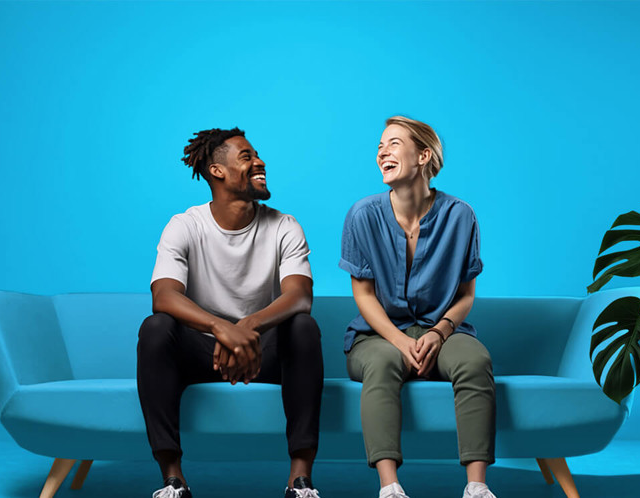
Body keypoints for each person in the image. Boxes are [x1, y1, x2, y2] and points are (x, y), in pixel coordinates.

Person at [138, 127, 324, 498]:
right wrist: (220, 328)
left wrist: (247, 326)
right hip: (201, 352)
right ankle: (173, 479)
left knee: (303, 327)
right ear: (217, 171)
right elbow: (164, 295)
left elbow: (300, 295)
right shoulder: (185, 225)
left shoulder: (284, 226)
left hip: (261, 352)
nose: (260, 162)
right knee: (155, 328)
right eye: (246, 156)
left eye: (257, 155)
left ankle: (300, 481)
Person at [339, 116, 496, 498]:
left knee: (475, 361)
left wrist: (439, 333)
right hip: (375, 335)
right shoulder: (362, 215)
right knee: (381, 363)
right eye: (380, 146)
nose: (382, 152)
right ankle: (390, 487)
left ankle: (477, 487)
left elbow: (465, 295)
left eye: (393, 143)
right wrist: (400, 341)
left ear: (423, 155)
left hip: (442, 330)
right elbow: (364, 295)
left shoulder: (461, 216)